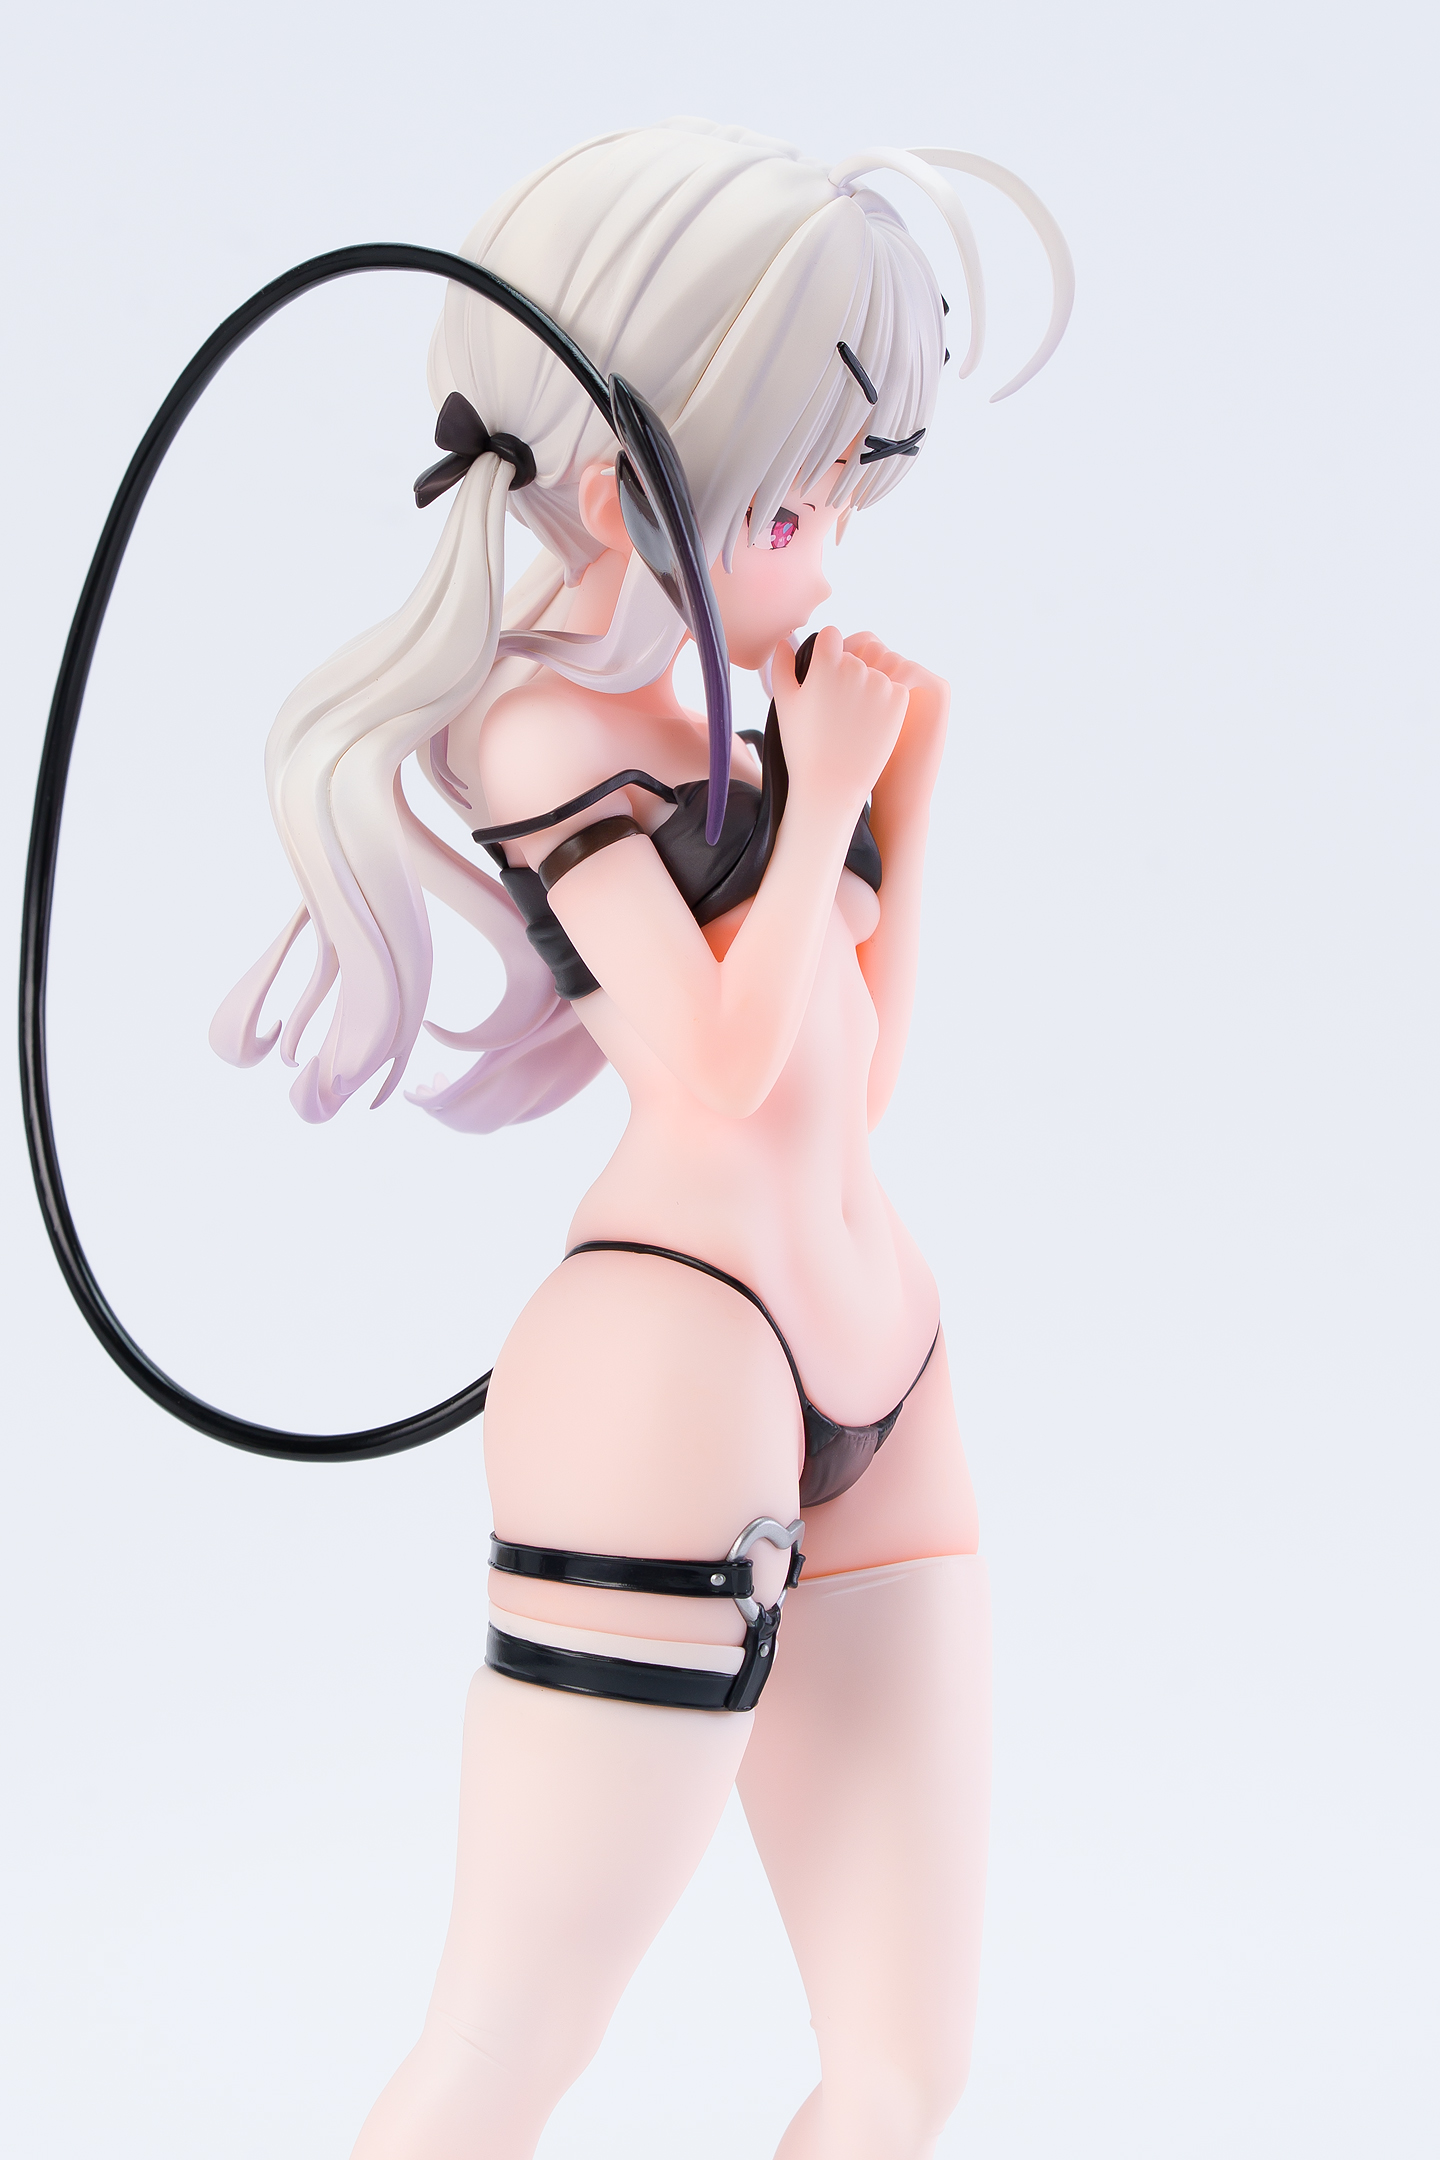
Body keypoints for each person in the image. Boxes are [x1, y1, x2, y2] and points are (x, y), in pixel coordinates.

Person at [212, 117, 1070, 2160]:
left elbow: (848, 1080)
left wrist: (899, 804)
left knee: (904, 2070)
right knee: (512, 2041)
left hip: (886, 1357)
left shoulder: (736, 714)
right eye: (792, 500)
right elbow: (707, 1069)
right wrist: (829, 785)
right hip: (673, 1361)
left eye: (848, 491)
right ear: (625, 490)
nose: (829, 551)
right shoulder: (543, 728)